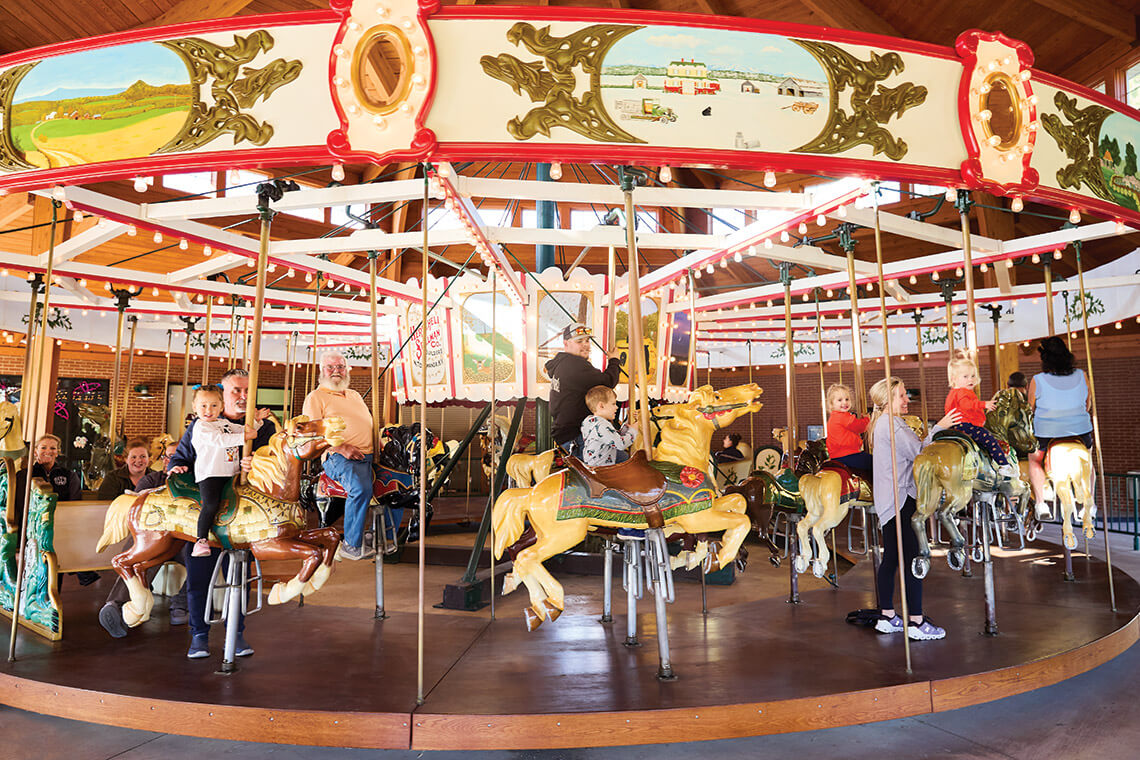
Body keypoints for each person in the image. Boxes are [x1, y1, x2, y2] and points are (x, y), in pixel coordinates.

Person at [169, 368, 274, 660]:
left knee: (239, 577)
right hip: (210, 504)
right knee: (200, 574)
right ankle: (199, 635)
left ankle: (236, 633)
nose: (242, 397)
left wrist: (260, 465)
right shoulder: (204, 423)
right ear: (222, 396)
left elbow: (275, 464)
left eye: (246, 391)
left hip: (243, 514)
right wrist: (176, 468)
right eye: (235, 391)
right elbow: (182, 455)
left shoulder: (263, 429)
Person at [868, 376, 959, 641]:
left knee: (892, 559)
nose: (907, 400)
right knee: (913, 559)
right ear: (887, 400)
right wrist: (938, 428)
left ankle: (887, 615)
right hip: (901, 498)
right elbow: (920, 452)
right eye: (901, 395)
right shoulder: (893, 425)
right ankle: (916, 622)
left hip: (890, 499)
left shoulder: (883, 424)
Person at [98, 441, 188, 639]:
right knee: (145, 554)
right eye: (168, 456)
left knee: (199, 557)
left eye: (177, 456)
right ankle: (116, 605)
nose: (171, 460)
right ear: (163, 460)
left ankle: (180, 604)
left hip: (184, 540)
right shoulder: (150, 480)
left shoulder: (191, 481)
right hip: (157, 536)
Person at [303, 351, 376, 561]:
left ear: (347, 370)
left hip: (369, 455)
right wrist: (342, 447)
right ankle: (351, 545)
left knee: (398, 483)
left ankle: (382, 534)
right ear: (321, 371)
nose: (336, 371)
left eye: (341, 367)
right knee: (360, 488)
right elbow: (313, 432)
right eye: (331, 367)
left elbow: (367, 422)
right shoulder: (316, 397)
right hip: (339, 457)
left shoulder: (353, 394)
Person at [171, 386, 259, 557]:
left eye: (213, 405)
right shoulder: (201, 427)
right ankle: (201, 540)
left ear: (221, 406)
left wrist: (256, 422)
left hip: (231, 473)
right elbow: (219, 441)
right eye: (203, 405)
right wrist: (244, 438)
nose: (208, 410)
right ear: (194, 406)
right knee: (211, 504)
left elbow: (243, 431)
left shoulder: (223, 423)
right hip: (211, 474)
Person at [1027, 336, 1093, 515]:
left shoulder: (1037, 380)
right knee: (1089, 458)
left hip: (1047, 433)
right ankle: (1090, 501)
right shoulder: (1082, 375)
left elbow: (1030, 409)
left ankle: (1041, 503)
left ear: (1045, 358)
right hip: (1080, 430)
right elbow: (1087, 405)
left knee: (1034, 460)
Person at [546, 323, 622, 458]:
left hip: (566, 432)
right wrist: (614, 360)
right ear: (566, 343)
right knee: (623, 464)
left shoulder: (561, 364)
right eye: (579, 341)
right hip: (577, 435)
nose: (585, 345)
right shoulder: (574, 365)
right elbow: (608, 381)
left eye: (587, 340)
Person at [944, 352, 1018, 479]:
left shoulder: (956, 392)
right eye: (965, 376)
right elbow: (966, 405)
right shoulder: (962, 392)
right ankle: (1004, 465)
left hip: (957, 425)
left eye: (973, 376)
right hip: (966, 426)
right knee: (990, 440)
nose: (970, 379)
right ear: (954, 378)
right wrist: (984, 404)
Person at [824, 383, 872, 479]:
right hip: (848, 454)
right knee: (876, 463)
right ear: (831, 404)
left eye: (847, 399)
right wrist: (867, 419)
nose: (844, 403)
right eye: (839, 400)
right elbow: (860, 427)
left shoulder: (834, 417)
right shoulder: (843, 417)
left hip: (837, 455)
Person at [580, 385, 635, 467]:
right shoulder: (601, 425)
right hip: (601, 468)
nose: (616, 407)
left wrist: (628, 425)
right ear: (601, 406)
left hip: (594, 465)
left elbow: (614, 436)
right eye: (613, 404)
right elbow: (620, 444)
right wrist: (633, 431)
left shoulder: (591, 421)